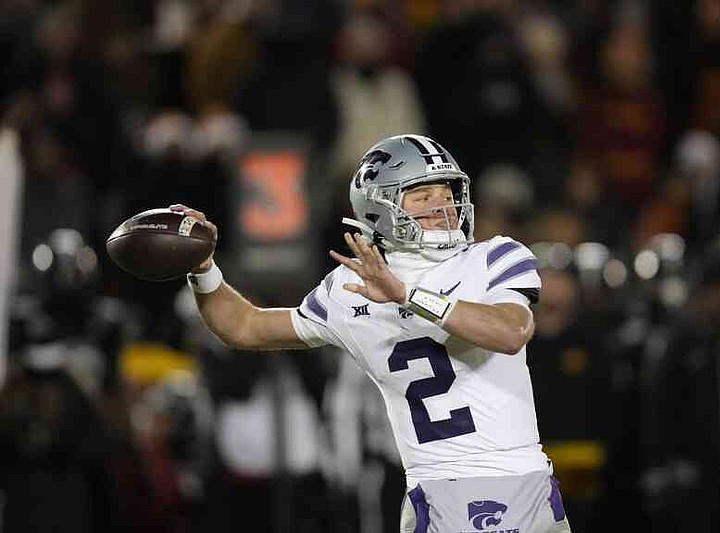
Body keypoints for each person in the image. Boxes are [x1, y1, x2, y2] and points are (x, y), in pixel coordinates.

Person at [174, 134, 571, 532]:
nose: (441, 204)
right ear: (381, 206)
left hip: (525, 478)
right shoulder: (349, 287)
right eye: (421, 194)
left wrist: (406, 295)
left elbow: (511, 331)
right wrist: (203, 268)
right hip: (451, 488)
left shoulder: (494, 257)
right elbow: (244, 326)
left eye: (446, 191)